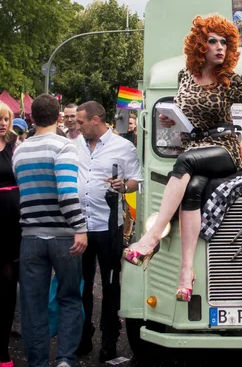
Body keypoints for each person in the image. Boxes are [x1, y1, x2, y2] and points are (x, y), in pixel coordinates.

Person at [123, 15, 242, 303]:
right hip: (194, 143)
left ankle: (151, 238)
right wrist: (168, 119)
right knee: (193, 188)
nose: (220, 47)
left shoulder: (232, 80)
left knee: (185, 163)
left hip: (224, 147)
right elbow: (183, 112)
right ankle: (187, 272)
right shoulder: (184, 76)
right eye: (213, 41)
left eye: (224, 42)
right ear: (200, 45)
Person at [12, 94, 87, 367]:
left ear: (32, 118)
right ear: (58, 117)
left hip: (30, 236)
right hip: (63, 236)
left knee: (33, 306)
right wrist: (80, 228)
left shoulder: (20, 150)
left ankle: (38, 362)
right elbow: (67, 195)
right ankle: (66, 359)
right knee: (68, 298)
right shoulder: (64, 147)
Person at [73, 101, 142, 362]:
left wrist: (123, 185)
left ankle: (109, 338)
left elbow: (137, 180)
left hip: (107, 225)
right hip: (79, 225)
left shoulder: (123, 147)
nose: (77, 126)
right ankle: (83, 335)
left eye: (81, 122)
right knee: (82, 284)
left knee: (111, 285)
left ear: (96, 120)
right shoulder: (75, 144)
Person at [0, 103, 20, 367]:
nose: (2, 123)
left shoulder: (16, 146)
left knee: (7, 285)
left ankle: (2, 349)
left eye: (6, 118)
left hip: (12, 224)